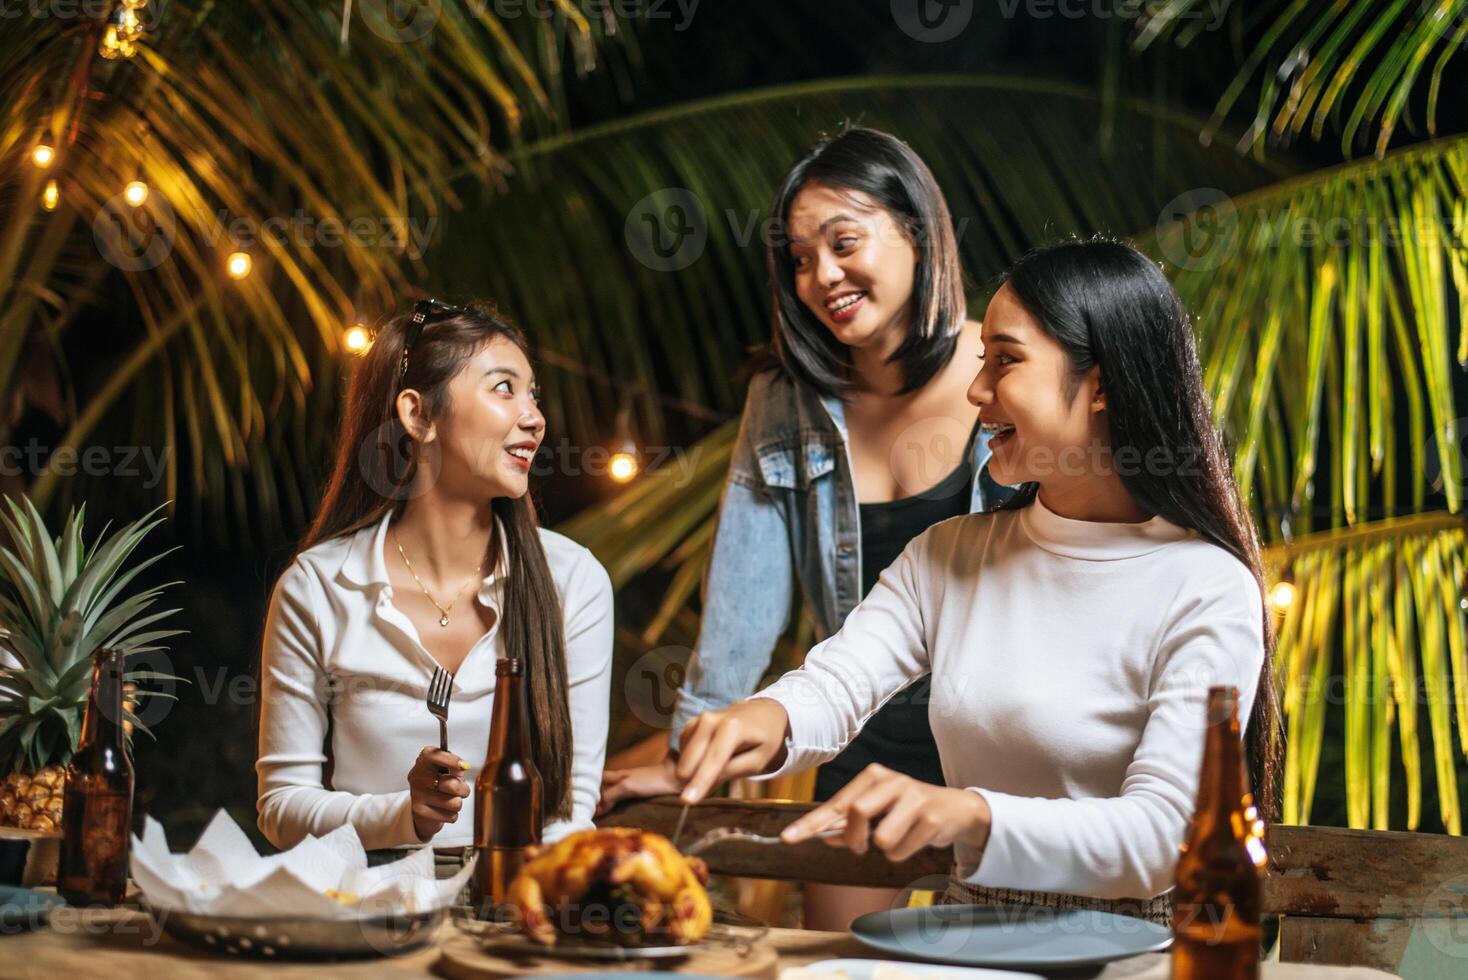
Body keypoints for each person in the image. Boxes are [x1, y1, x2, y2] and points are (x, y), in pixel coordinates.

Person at [669, 238, 1282, 922]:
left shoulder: (1205, 585)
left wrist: (966, 813)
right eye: (981, 358)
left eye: (1006, 361)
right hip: (968, 946)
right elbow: (836, 686)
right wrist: (769, 718)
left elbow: (1166, 836)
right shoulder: (950, 556)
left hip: (1136, 958)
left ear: (1103, 382)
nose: (976, 389)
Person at [600, 127, 1011, 928]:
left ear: (919, 234)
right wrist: (691, 760)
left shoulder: (1007, 372)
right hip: (859, 741)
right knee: (839, 966)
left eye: (843, 241)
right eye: (797, 257)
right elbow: (738, 619)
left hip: (1005, 754)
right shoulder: (784, 401)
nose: (822, 274)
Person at [257, 299, 614, 861]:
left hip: (513, 928)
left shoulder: (574, 583)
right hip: (359, 921)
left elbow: (569, 814)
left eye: (533, 394)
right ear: (418, 415)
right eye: (504, 389)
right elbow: (281, 808)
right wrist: (405, 814)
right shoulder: (318, 587)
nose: (534, 417)